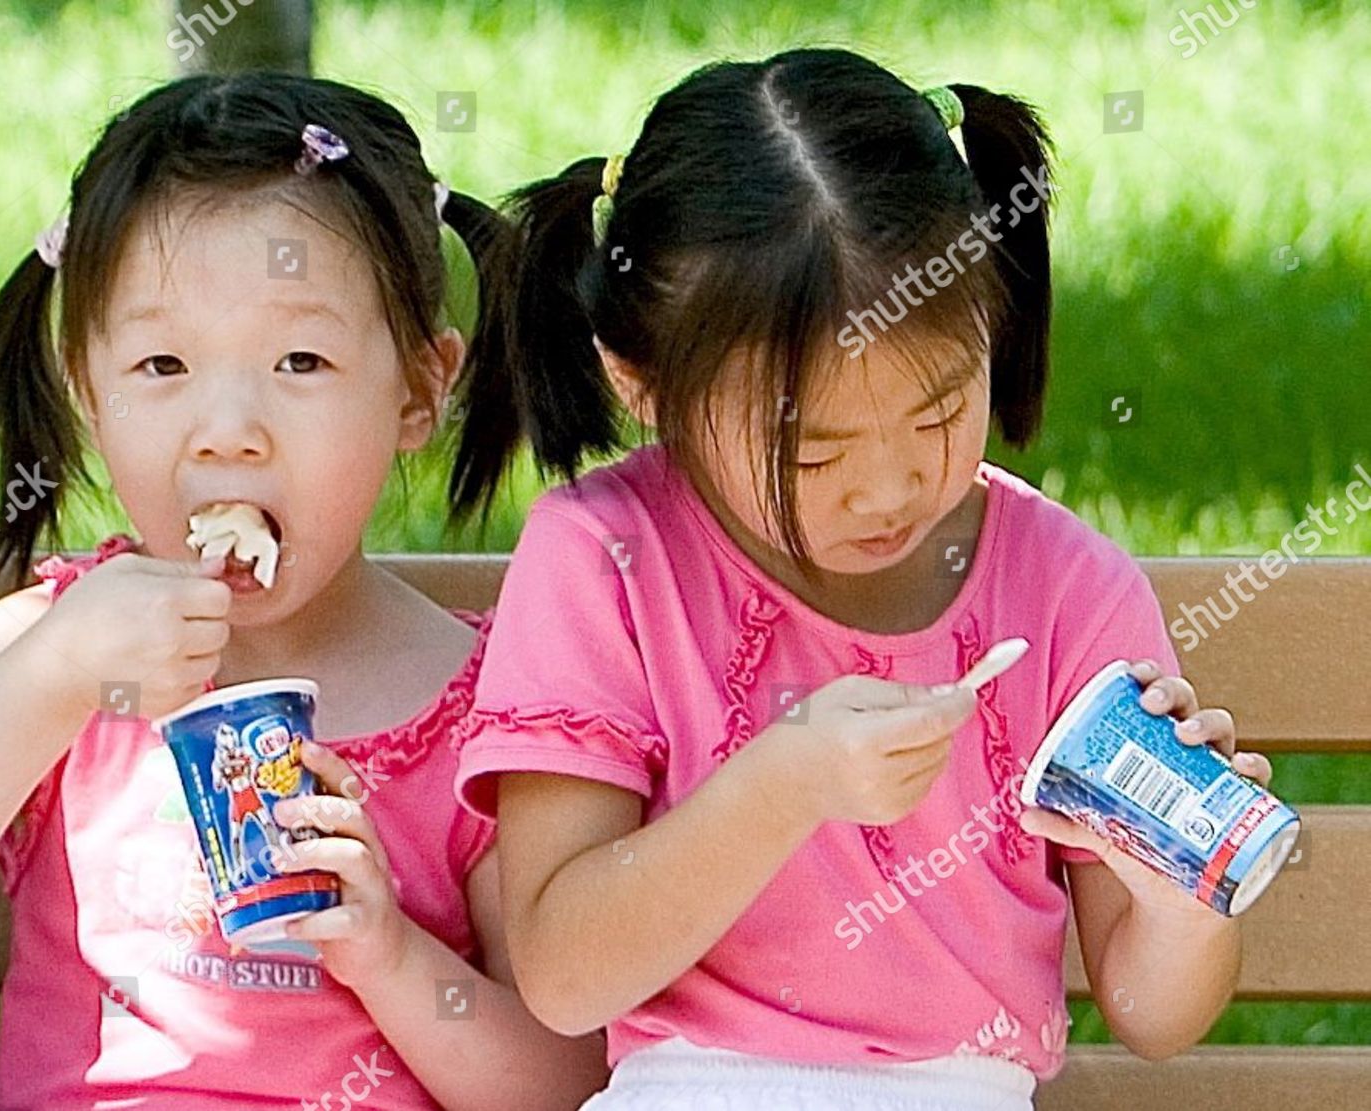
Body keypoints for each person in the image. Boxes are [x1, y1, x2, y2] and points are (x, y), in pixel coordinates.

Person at [448, 48, 1273, 1110]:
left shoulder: (1066, 585)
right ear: (639, 380)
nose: (888, 488)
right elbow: (563, 974)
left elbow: (1154, 1017)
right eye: (812, 452)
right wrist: (784, 783)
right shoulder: (604, 559)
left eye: (936, 412)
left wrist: (1186, 896)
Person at [0, 74, 606, 1111]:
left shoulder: (486, 713)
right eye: (162, 362)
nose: (228, 426)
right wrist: (52, 677)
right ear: (88, 389)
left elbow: (564, 1086)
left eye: (299, 359)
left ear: (418, 390)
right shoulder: (45, 648)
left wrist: (388, 952)